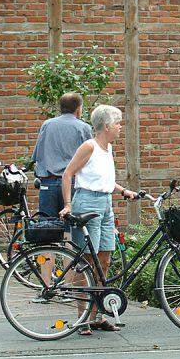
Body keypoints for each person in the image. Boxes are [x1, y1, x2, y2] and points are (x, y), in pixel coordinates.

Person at [58, 104, 138, 335]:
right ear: (106, 126)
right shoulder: (89, 147)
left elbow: (102, 180)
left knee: (104, 261)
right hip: (87, 203)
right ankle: (82, 317)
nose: (120, 127)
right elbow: (68, 173)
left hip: (105, 204)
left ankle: (97, 316)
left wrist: (123, 190)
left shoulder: (108, 148)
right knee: (86, 263)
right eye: (118, 123)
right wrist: (67, 204)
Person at [31, 92, 93, 223]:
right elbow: (91, 159)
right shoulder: (84, 128)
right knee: (71, 228)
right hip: (72, 183)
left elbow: (37, 155)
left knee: (48, 227)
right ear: (78, 108)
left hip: (48, 183)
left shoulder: (47, 125)